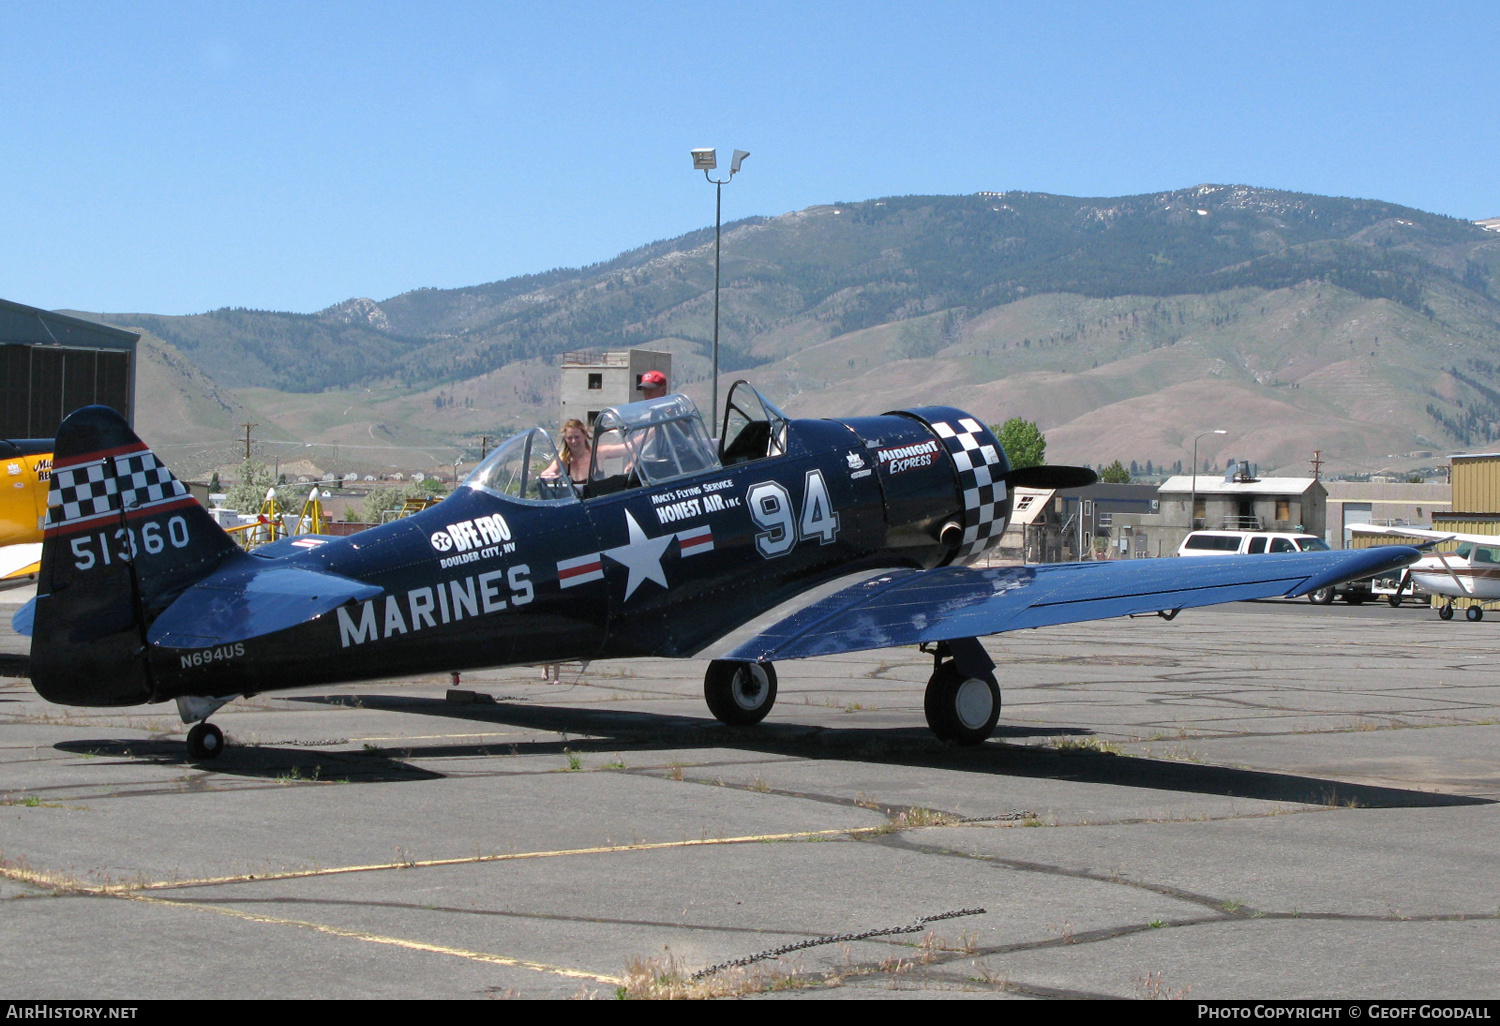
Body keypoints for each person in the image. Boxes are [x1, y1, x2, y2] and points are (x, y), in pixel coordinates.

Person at [540, 418, 591, 492]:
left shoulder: (597, 454)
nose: (573, 441)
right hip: (577, 501)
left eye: (577, 437)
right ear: (565, 439)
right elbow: (545, 474)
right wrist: (550, 475)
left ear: (584, 435)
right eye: (569, 438)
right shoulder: (565, 458)